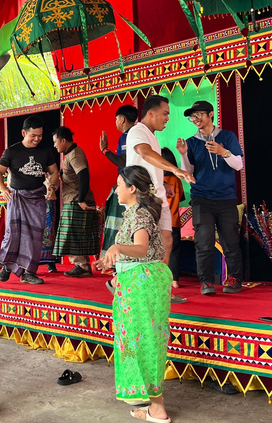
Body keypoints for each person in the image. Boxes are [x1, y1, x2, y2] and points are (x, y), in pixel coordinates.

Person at [95, 166, 172, 423]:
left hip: (143, 287)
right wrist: (114, 265)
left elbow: (141, 248)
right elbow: (138, 253)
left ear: (132, 188)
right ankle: (153, 404)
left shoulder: (139, 215)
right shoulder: (134, 214)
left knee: (145, 341)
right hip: (136, 283)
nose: (115, 189)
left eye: (118, 184)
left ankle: (157, 407)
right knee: (139, 340)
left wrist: (116, 246)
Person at [126, 95, 194, 305]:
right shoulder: (138, 131)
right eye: (165, 114)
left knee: (167, 241)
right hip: (143, 200)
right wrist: (175, 169)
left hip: (157, 197)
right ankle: (125, 283)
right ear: (150, 113)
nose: (167, 119)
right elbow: (144, 154)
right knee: (143, 246)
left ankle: (163, 291)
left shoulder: (152, 136)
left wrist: (163, 184)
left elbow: (149, 165)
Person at [176, 101, 244, 296]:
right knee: (203, 242)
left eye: (199, 115)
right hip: (201, 198)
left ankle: (234, 279)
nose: (195, 119)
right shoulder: (191, 142)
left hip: (226, 198)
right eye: (192, 116)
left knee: (230, 241)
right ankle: (206, 282)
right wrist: (183, 155)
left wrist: (223, 152)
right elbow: (188, 173)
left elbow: (238, 165)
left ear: (211, 114)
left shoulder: (227, 136)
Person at [0, 115, 59, 285]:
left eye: (40, 135)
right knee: (12, 235)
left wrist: (51, 187)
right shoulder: (12, 151)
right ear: (24, 133)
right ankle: (8, 265)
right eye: (33, 135)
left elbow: (54, 172)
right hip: (17, 198)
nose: (37, 139)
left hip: (37, 198)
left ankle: (29, 273)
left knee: (35, 236)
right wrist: (3, 189)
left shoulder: (46, 151)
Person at [51, 126, 99, 277]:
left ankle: (82, 265)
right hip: (74, 199)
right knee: (77, 235)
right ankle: (83, 265)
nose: (55, 145)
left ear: (63, 140)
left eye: (55, 142)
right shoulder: (70, 154)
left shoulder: (75, 154)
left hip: (76, 200)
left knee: (71, 235)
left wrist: (81, 200)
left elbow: (83, 175)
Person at [99, 105, 138, 256]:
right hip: (134, 183)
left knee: (123, 224)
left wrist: (105, 150)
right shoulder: (138, 134)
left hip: (128, 185)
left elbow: (123, 162)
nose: (115, 122)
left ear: (122, 119)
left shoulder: (127, 136)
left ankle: (119, 258)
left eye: (116, 119)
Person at [161, 148, 184, 290]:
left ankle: (163, 279)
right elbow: (181, 198)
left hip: (162, 223)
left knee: (162, 252)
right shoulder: (177, 180)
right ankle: (175, 280)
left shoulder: (160, 181)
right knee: (174, 251)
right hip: (175, 221)